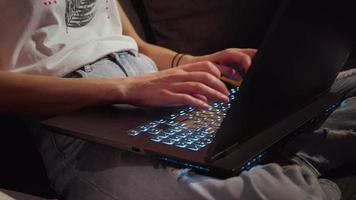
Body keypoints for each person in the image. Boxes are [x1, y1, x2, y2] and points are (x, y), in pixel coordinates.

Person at [1, 0, 356, 199]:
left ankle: (268, 158)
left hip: (148, 83)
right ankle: (292, 165)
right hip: (73, 106)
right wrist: (127, 90)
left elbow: (133, 45)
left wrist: (190, 63)